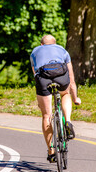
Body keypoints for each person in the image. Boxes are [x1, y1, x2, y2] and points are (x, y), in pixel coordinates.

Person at [30, 35, 81, 163]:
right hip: (61, 76)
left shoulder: (35, 52)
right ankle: (68, 121)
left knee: (47, 115)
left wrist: (40, 101)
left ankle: (51, 150)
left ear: (41, 44)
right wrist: (76, 98)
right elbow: (72, 79)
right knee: (65, 94)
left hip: (43, 78)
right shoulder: (63, 50)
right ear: (55, 43)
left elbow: (35, 74)